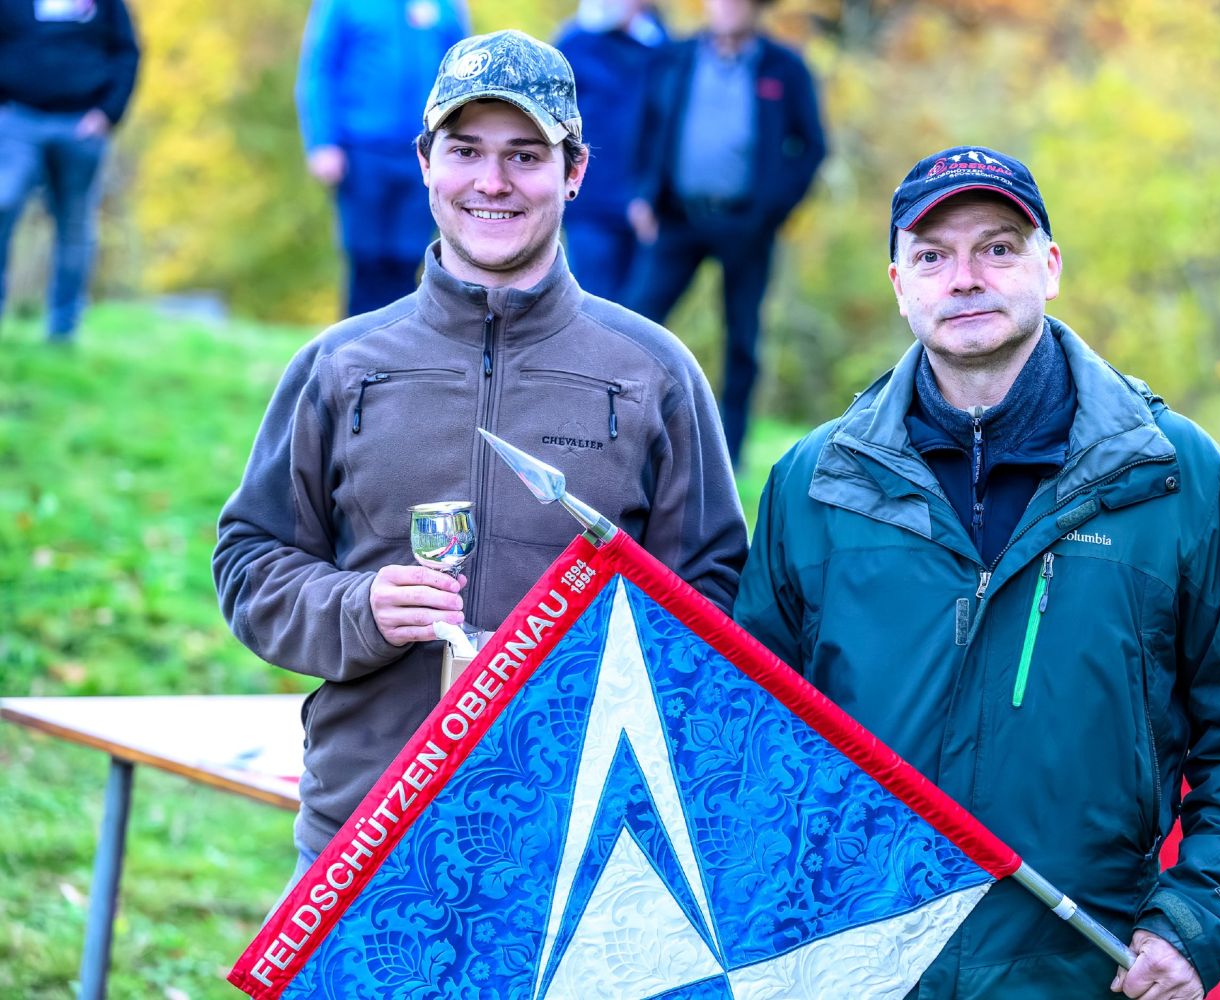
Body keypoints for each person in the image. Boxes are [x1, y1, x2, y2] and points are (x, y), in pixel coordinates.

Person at [733, 146, 1220, 998]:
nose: (965, 278)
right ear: (899, 285)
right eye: (932, 256)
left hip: (1083, 967)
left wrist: (1196, 922)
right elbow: (748, 738)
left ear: (1050, 266)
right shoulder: (813, 484)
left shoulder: (1172, 475)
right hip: (859, 967)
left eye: (997, 248)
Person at [215, 30, 747, 875]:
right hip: (365, 828)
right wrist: (360, 607)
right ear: (426, 162)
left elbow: (713, 598)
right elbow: (251, 563)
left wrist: (582, 660)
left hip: (580, 843)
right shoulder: (339, 365)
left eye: (525, 156)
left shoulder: (652, 373)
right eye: (465, 150)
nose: (491, 183)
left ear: (574, 172)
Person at [623, 0, 825, 467]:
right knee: (636, 322)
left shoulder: (784, 67)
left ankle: (727, 458)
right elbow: (646, 127)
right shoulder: (674, 58)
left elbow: (812, 147)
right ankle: (627, 433)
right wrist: (642, 195)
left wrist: (772, 211)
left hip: (746, 227)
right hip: (677, 219)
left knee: (741, 340)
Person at [296, 0, 468, 316]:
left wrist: (463, 149)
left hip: (425, 154)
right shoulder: (341, 5)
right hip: (361, 152)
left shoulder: (445, 6)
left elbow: (464, 76)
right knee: (366, 257)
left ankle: (403, 341)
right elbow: (320, 71)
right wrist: (323, 142)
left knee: (409, 256)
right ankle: (356, 342)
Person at [0, 0, 138, 344]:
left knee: (74, 224)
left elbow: (126, 51)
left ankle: (62, 332)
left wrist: (108, 112)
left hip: (80, 125)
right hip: (17, 118)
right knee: (4, 202)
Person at [555, 0, 669, 301]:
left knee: (639, 312)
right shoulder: (575, 43)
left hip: (648, 207)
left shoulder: (664, 48)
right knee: (593, 303)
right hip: (590, 204)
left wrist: (651, 196)